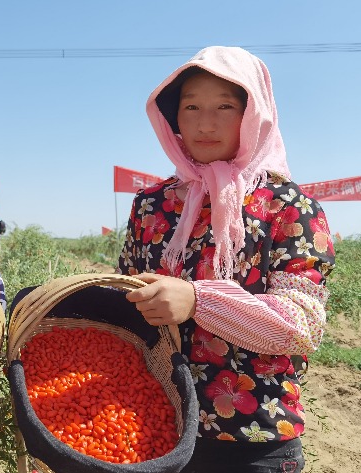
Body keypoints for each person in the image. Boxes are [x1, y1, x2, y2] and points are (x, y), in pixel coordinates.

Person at [117, 46, 335, 472]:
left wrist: (199, 301)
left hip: (254, 434)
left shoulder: (288, 207)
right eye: (191, 106)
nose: (205, 123)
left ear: (254, 115)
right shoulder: (152, 206)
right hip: (156, 424)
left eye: (225, 106)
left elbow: (301, 326)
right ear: (173, 119)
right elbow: (126, 294)